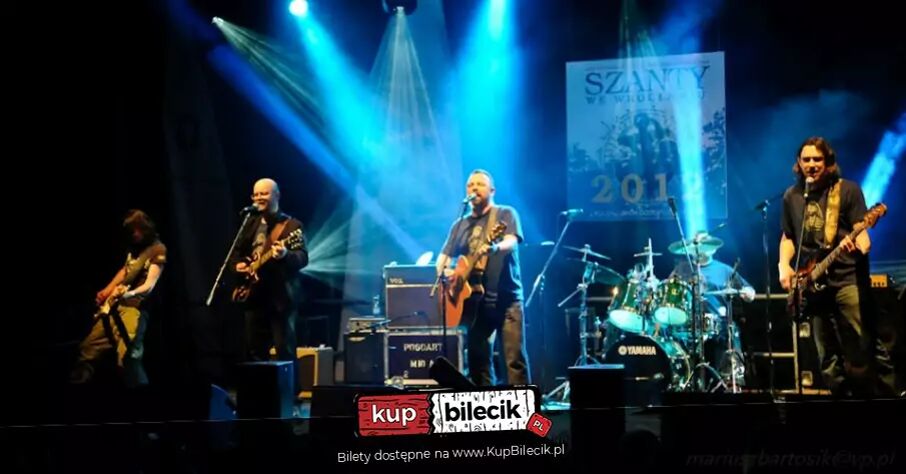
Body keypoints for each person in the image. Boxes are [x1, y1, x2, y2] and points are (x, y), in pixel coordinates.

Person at [778, 136, 891, 397]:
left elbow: (861, 230)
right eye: (806, 159)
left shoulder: (847, 190)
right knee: (826, 353)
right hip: (813, 282)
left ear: (828, 162)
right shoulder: (792, 196)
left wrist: (861, 244)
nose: (811, 164)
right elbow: (788, 237)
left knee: (862, 342)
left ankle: (886, 396)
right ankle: (840, 401)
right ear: (798, 163)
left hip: (847, 278)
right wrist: (783, 265)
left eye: (817, 159)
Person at [436, 169, 530, 386]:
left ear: (492, 190)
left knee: (514, 360)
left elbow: (511, 241)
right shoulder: (460, 225)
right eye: (470, 185)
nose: (474, 188)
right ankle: (485, 402)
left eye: (480, 184)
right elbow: (442, 259)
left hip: (507, 300)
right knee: (478, 362)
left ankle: (524, 404)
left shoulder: (505, 214)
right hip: (475, 304)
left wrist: (494, 248)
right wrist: (446, 273)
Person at [71, 209, 166, 388]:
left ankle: (141, 396)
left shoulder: (157, 249)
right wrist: (107, 290)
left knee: (129, 357)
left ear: (144, 228)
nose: (132, 234)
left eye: (135, 230)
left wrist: (127, 294)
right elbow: (125, 270)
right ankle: (77, 388)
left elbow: (149, 286)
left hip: (134, 309)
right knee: (88, 348)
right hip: (115, 306)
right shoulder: (134, 247)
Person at [232, 178, 308, 389]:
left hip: (280, 298)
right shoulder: (249, 223)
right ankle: (260, 395)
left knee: (284, 349)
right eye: (256, 194)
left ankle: (289, 397)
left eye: (264, 194)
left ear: (277, 195)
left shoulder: (292, 226)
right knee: (254, 350)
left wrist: (285, 255)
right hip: (254, 296)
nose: (259, 198)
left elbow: (302, 258)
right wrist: (238, 265)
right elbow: (235, 254)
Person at [669, 237, 755, 388]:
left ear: (713, 249)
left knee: (729, 334)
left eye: (705, 245)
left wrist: (747, 292)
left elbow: (750, 292)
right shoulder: (681, 269)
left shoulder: (724, 270)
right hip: (688, 326)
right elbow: (668, 293)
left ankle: (730, 383)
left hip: (719, 326)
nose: (701, 248)